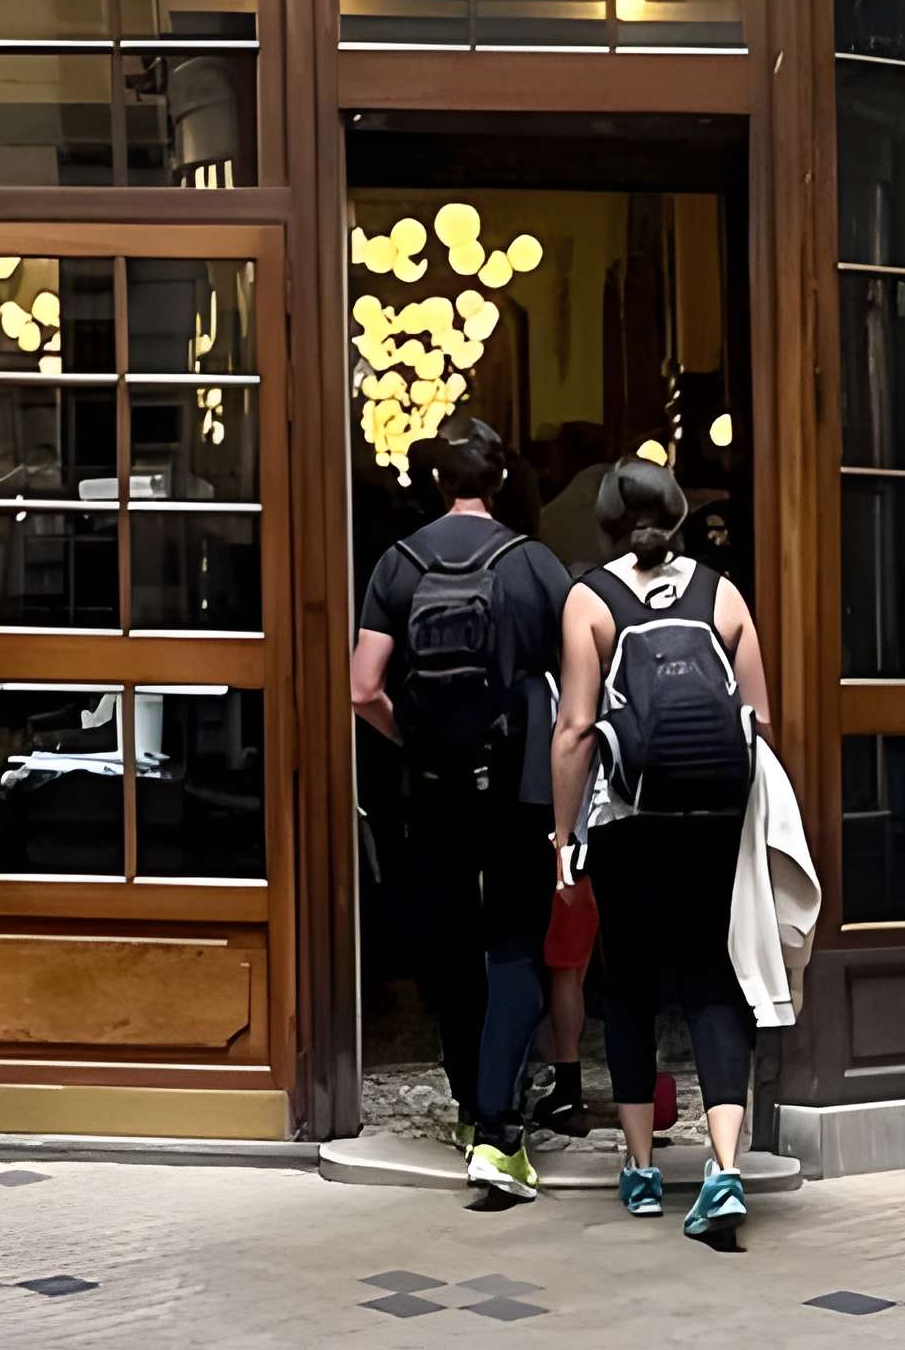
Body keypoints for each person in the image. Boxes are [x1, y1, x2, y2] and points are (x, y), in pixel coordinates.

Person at [550, 456, 772, 1243]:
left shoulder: (591, 598)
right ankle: (724, 1169)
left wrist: (564, 837)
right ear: (678, 516)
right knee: (715, 978)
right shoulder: (724, 592)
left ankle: (641, 1170)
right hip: (714, 817)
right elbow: (758, 720)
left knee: (630, 984)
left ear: (608, 522)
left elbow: (576, 727)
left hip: (628, 819)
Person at [351, 415, 573, 1200]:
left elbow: (361, 686)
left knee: (447, 944)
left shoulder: (398, 563)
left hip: (432, 787)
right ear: (502, 481)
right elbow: (582, 680)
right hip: (518, 786)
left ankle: (463, 1106)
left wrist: (412, 739)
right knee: (516, 941)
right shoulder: (535, 564)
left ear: (437, 482)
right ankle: (499, 1127)